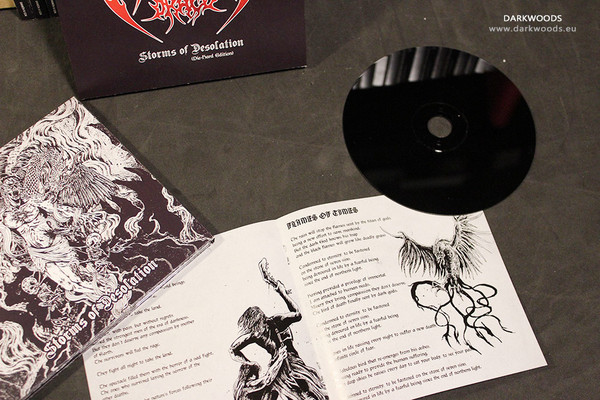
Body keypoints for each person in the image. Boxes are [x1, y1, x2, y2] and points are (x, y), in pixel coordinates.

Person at [230, 258, 328, 400]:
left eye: (257, 327)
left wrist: (281, 291)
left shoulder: (275, 322)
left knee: (310, 390)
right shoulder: (254, 334)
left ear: (262, 321)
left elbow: (297, 314)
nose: (256, 333)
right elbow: (232, 350)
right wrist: (248, 363)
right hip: (278, 367)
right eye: (253, 330)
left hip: (292, 363)